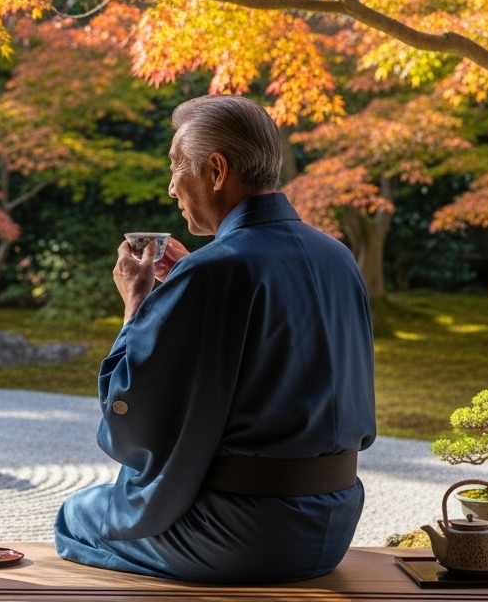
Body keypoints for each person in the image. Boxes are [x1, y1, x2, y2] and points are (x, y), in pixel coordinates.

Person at [54, 95, 377, 584]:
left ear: (217, 170)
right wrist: (189, 280)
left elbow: (132, 414)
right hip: (332, 523)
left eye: (176, 166)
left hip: (242, 533)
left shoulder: (214, 272)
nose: (170, 187)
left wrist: (137, 306)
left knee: (76, 515)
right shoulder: (337, 257)